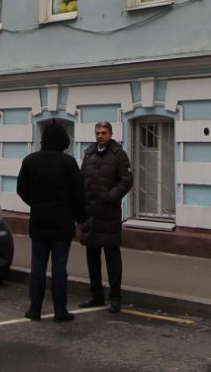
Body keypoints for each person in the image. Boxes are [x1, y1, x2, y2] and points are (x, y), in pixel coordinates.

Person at [16, 120, 86, 323]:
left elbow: (21, 189)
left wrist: (36, 203)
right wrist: (81, 219)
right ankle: (60, 310)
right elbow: (78, 194)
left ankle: (35, 309)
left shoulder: (30, 161)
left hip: (39, 220)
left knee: (37, 266)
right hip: (62, 221)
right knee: (59, 267)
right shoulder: (68, 163)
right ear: (64, 140)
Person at [79, 121, 133, 313]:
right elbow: (82, 178)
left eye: (103, 133)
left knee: (112, 256)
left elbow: (126, 181)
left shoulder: (118, 155)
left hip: (109, 213)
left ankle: (115, 297)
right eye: (97, 133)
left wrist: (110, 197)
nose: (100, 136)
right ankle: (96, 294)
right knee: (92, 256)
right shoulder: (89, 153)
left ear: (110, 134)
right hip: (91, 212)